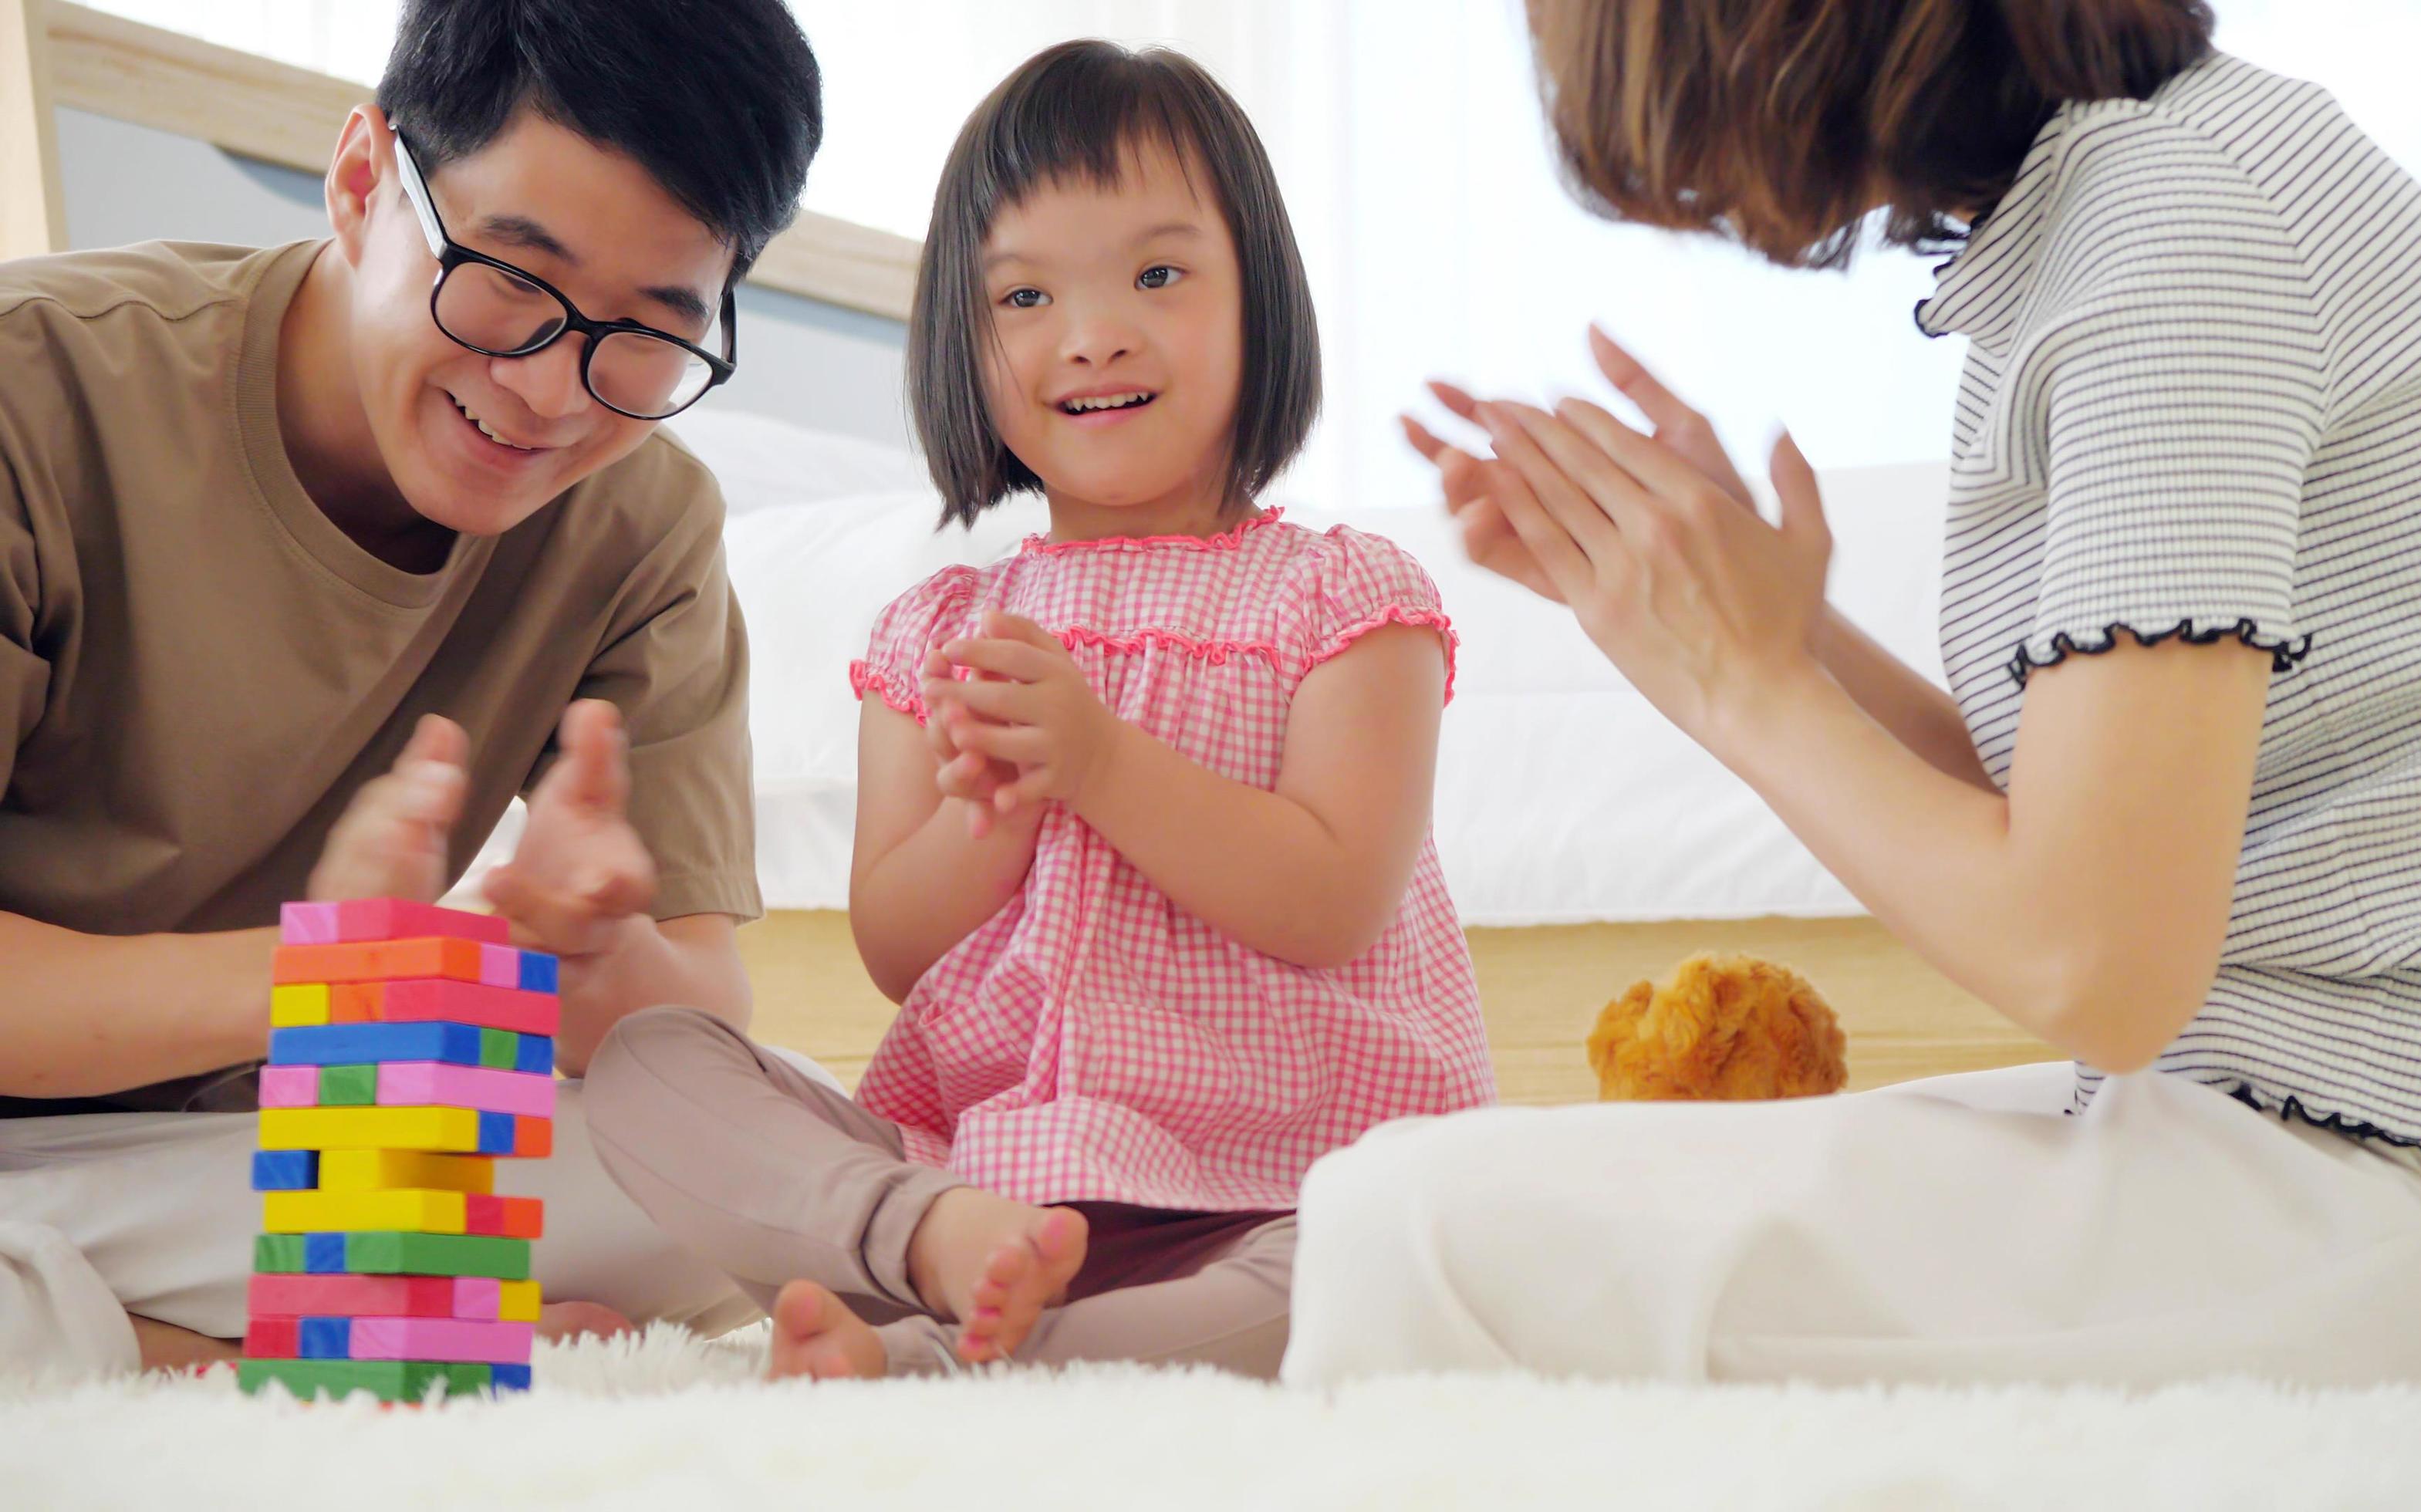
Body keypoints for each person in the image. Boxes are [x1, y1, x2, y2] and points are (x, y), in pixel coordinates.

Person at [1285, 0, 2421, 1388]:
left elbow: (2097, 965)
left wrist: (1748, 678)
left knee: (1405, 1232)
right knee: (1401, 1195)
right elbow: (2080, 832)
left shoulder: (2174, 231)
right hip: (2327, 1161)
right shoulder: (2134, 186)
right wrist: (1768, 633)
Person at [582, 39, 1496, 1382]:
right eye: (1023, 295)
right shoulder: (940, 632)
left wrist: (1103, 764)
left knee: (1396, 1260)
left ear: (1266, 304)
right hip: (993, 1176)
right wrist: (989, 825)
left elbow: (1334, 900)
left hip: (1280, 1185)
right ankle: (930, 1250)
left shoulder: (1346, 596)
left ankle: (955, 1360)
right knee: (652, 1065)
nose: (1093, 332)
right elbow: (897, 944)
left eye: (1160, 275)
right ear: (967, 339)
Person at [0, 0, 825, 1375]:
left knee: (782, 1166)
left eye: (648, 333)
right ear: (361, 178)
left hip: (206, 1150)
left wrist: (572, 959)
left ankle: (148, 1328)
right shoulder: (36, 386)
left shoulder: (645, 523)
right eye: (511, 277)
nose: (554, 392)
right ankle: (203, 1359)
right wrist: (346, 975)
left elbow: (695, 1017)